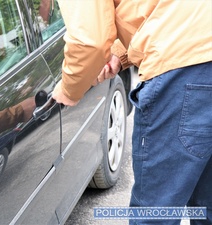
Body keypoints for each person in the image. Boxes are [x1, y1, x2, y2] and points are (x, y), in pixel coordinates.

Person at [52, 0, 212, 224]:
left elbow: (89, 42)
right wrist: (119, 54)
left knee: (155, 214)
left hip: (183, 67)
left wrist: (69, 90)